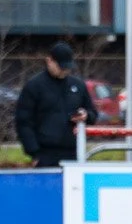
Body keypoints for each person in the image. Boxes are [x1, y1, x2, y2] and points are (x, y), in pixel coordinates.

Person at [14, 40, 96, 168]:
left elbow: (93, 113)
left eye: (67, 67)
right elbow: (23, 122)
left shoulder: (78, 85)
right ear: (49, 61)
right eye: (61, 67)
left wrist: (86, 116)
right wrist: (34, 153)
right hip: (45, 153)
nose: (65, 71)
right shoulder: (34, 86)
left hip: (73, 152)